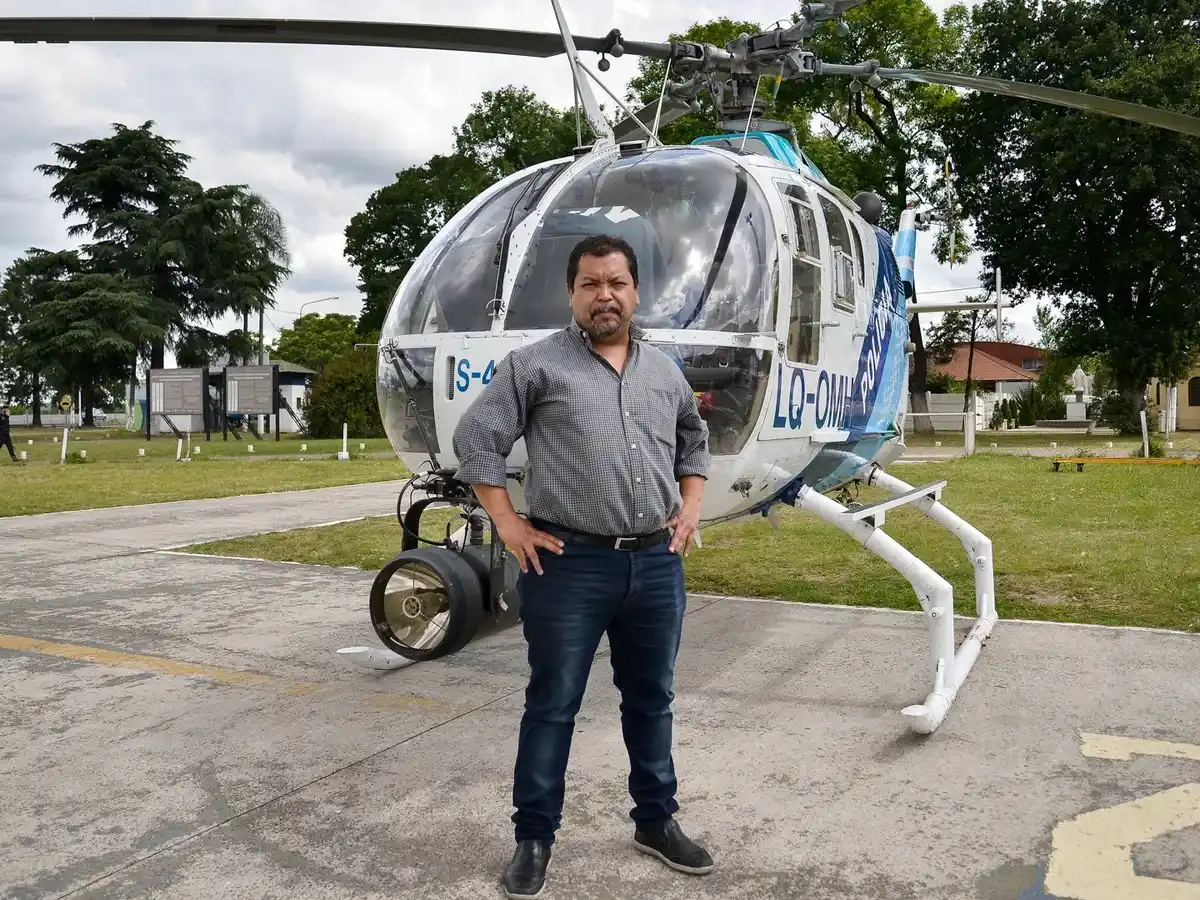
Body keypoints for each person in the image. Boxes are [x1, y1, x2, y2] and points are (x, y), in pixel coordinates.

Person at [452, 234, 714, 898]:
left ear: (635, 291)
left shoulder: (664, 370)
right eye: (592, 283)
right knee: (553, 706)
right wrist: (508, 522)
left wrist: (690, 506)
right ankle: (533, 837)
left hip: (655, 564)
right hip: (569, 566)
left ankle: (656, 821)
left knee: (651, 701)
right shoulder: (536, 366)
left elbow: (693, 435)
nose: (606, 295)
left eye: (618, 282)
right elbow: (477, 438)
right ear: (573, 293)